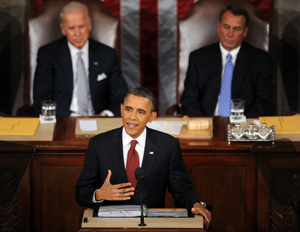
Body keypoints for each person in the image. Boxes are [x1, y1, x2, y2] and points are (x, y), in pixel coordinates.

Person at [75, 87, 212, 228]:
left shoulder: (167, 145)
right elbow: (81, 191)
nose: (132, 117)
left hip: (152, 226)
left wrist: (197, 204)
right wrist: (99, 194)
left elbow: (181, 189)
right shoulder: (99, 144)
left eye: (141, 112)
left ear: (152, 117)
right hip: (110, 226)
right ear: (121, 109)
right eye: (128, 109)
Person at [28, 1, 127, 117]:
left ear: (89, 25)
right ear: (63, 29)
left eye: (81, 26)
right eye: (71, 28)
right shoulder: (48, 55)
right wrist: (73, 118)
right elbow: (42, 99)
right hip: (62, 120)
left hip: (98, 120)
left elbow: (121, 97)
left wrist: (105, 115)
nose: (77, 33)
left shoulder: (107, 54)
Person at [180, 4, 273, 117]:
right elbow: (189, 99)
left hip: (243, 126)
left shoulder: (261, 60)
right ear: (218, 27)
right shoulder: (198, 58)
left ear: (245, 32)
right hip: (206, 124)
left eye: (236, 29)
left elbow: (264, 103)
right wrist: (202, 123)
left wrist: (243, 126)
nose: (230, 34)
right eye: (226, 27)